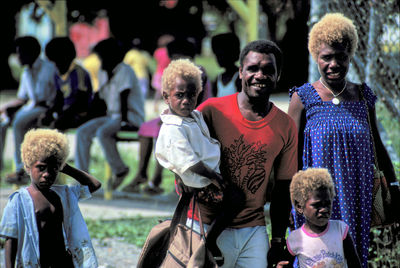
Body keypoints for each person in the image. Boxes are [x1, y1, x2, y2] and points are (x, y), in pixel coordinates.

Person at [287, 13, 398, 267]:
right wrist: (292, 203)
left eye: (341, 56)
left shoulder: (362, 95)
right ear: (316, 56)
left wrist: (393, 184)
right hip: (317, 199)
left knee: (352, 256)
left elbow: (377, 146)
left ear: (350, 55)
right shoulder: (303, 98)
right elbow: (289, 154)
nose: (334, 64)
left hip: (357, 194)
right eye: (327, 57)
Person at [195, 40, 298, 267]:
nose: (260, 75)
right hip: (206, 226)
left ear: (278, 75)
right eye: (252, 68)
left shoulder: (286, 126)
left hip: (253, 231)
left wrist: (278, 241)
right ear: (240, 72)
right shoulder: (211, 110)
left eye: (268, 70)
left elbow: (282, 190)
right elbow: (181, 148)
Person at [155, 58, 233, 265]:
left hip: (204, 178)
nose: (186, 101)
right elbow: (189, 162)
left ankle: (207, 240)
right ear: (166, 96)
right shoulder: (173, 127)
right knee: (235, 199)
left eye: (191, 95)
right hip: (199, 181)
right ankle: (210, 241)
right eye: (179, 96)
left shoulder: (193, 116)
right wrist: (214, 176)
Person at [122, 37, 212, 195]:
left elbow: (194, 102)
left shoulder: (197, 71)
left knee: (164, 131)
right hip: (178, 114)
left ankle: (155, 180)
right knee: (145, 128)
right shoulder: (178, 73)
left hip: (195, 116)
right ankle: (141, 174)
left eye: (177, 58)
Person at [0, 128, 101, 267]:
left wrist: (66, 167)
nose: (47, 174)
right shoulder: (18, 200)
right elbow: (11, 239)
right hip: (37, 262)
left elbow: (94, 184)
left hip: (63, 262)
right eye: (41, 168)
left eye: (53, 169)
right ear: (29, 167)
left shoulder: (64, 195)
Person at [74, 37, 144, 190]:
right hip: (111, 116)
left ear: (113, 57)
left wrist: (124, 121)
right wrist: (85, 115)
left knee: (102, 132)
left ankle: (120, 170)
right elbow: (100, 99)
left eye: (102, 57)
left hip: (129, 116)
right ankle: (82, 176)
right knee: (82, 132)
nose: (100, 60)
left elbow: (123, 97)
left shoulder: (125, 70)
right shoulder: (103, 72)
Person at [276, 168, 361, 268]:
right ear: (300, 207)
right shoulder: (296, 238)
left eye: (327, 204)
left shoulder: (340, 230)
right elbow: (285, 265)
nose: (324, 209)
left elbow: (355, 263)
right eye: (317, 205)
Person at [1, 36, 57, 184]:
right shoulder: (26, 72)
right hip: (31, 107)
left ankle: (21, 170)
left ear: (32, 52)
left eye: (20, 53)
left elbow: (53, 96)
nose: (18, 57)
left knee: (20, 122)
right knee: (3, 122)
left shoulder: (49, 68)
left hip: (46, 108)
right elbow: (23, 98)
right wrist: (5, 108)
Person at [43, 36, 94, 131]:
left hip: (80, 113)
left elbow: (81, 100)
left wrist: (64, 115)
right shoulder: (57, 73)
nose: (56, 65)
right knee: (44, 121)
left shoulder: (79, 73)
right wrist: (50, 112)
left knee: (57, 126)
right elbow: (59, 97)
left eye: (57, 61)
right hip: (65, 112)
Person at [211, 32, 241, 97]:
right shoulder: (218, 79)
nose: (218, 59)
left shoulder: (240, 78)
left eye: (220, 55)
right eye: (217, 55)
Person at [151, 34, 174, 113]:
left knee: (158, 92)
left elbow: (155, 61)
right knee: (169, 91)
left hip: (158, 72)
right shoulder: (169, 52)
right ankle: (170, 106)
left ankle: (155, 106)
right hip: (167, 73)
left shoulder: (157, 51)